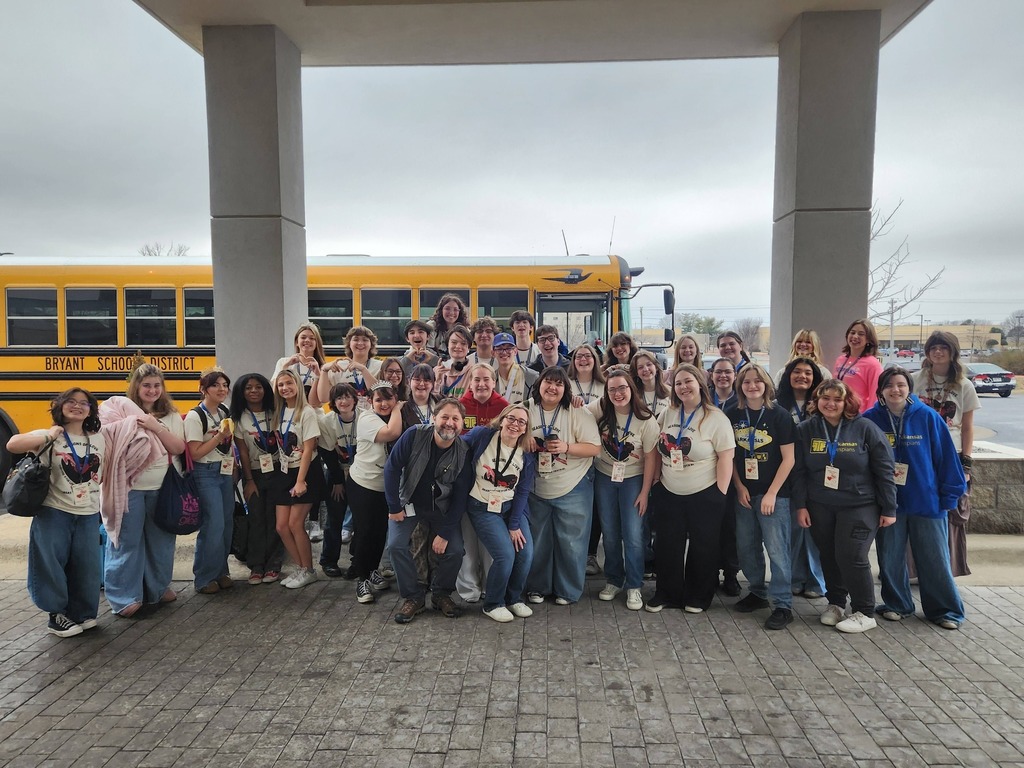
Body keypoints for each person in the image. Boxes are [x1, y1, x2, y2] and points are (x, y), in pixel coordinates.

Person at [864, 367, 967, 629]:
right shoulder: (870, 420)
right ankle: (897, 604)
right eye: (889, 385)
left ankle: (945, 610)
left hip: (927, 501)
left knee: (934, 558)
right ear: (881, 390)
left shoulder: (928, 417)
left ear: (909, 388)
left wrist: (948, 498)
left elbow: (946, 459)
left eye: (901, 385)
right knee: (890, 557)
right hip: (888, 504)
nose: (895, 390)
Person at [792, 379, 897, 633]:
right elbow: (799, 472)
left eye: (837, 399)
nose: (831, 404)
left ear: (847, 401)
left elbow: (884, 470)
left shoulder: (865, 429)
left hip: (859, 505)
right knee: (828, 554)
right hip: (820, 505)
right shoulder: (806, 429)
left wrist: (889, 508)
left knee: (852, 555)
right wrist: (801, 505)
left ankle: (865, 611)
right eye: (825, 398)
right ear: (817, 401)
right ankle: (836, 603)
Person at [8, 389, 105, 637]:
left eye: (84, 403)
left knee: (87, 566)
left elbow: (104, 472)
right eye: (71, 402)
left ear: (91, 410)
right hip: (54, 510)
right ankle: (56, 615)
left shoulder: (99, 438)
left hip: (88, 512)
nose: (77, 406)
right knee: (51, 564)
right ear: (60, 406)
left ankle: (82, 613)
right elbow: (12, 444)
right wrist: (48, 436)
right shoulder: (50, 434)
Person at [647, 365, 735, 613]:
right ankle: (667, 593)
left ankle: (698, 595)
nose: (683, 387)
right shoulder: (669, 413)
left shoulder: (715, 418)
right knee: (667, 544)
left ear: (699, 383)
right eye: (678, 383)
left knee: (703, 546)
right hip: (669, 490)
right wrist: (656, 481)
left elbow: (726, 458)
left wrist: (720, 493)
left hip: (705, 492)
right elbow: (656, 446)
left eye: (688, 382)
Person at [102, 365, 187, 617]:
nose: (152, 390)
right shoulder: (119, 413)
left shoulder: (169, 414)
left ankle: (158, 588)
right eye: (146, 385)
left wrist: (153, 425)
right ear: (136, 387)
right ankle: (123, 597)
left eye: (156, 385)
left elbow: (178, 447)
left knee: (161, 542)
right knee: (126, 543)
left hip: (161, 488)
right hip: (128, 488)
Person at [385, 398, 471, 624]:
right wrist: (394, 507)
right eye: (444, 417)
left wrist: (445, 533)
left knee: (455, 551)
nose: (449, 423)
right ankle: (414, 597)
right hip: (408, 504)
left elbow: (461, 496)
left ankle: (441, 594)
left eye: (455, 418)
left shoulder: (463, 451)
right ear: (434, 418)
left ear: (462, 424)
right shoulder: (414, 435)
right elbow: (392, 468)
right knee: (395, 546)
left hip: (442, 509)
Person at [725, 365, 796, 630]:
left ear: (766, 384)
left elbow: (789, 459)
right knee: (746, 546)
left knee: (777, 550)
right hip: (744, 493)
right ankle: (757, 591)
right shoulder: (732, 414)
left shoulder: (780, 416)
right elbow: (728, 455)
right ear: (740, 386)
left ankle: (783, 604)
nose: (752, 386)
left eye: (757, 381)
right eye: (746, 382)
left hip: (774, 495)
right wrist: (739, 486)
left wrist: (773, 493)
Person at [524, 366, 601, 605]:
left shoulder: (577, 411)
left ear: (566, 388)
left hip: (573, 485)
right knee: (538, 541)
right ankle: (537, 587)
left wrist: (567, 447)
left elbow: (594, 448)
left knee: (571, 542)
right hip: (536, 487)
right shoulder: (526, 408)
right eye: (548, 382)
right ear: (539, 385)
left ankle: (567, 591)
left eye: (559, 384)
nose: (553, 387)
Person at [458, 403, 538, 622]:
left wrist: (514, 524)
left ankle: (513, 599)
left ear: (525, 429)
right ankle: (493, 603)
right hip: (482, 507)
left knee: (526, 553)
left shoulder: (527, 454)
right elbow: (456, 445)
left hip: (511, 507)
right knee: (505, 555)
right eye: (511, 418)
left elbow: (522, 492)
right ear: (502, 419)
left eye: (521, 422)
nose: (515, 424)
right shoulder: (482, 436)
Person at [587, 368, 658, 611]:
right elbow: (578, 413)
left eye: (622, 388)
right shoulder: (600, 408)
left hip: (633, 480)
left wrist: (644, 492)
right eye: (612, 389)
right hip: (605, 477)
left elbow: (651, 458)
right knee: (609, 531)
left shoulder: (646, 419)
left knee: (633, 534)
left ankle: (634, 585)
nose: (617, 393)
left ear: (632, 389)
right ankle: (614, 579)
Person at [914, 330, 979, 577]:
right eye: (933, 348)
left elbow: (968, 427)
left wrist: (966, 465)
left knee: (951, 513)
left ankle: (945, 567)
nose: (938, 352)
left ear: (953, 352)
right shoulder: (914, 380)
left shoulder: (964, 385)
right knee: (917, 510)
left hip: (950, 456)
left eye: (943, 347)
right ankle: (914, 568)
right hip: (919, 453)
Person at [455, 363, 510, 602]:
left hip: (492, 485)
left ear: (494, 382)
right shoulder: (458, 406)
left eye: (486, 379)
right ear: (469, 382)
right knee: (467, 539)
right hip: (463, 481)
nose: (481, 384)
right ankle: (469, 589)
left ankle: (491, 584)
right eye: (476, 379)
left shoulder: (504, 407)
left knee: (489, 540)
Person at [347, 382, 406, 602]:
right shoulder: (366, 418)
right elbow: (392, 433)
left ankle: (372, 569)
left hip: (386, 487)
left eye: (388, 399)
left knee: (380, 531)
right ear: (371, 401)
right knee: (364, 531)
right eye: (378, 399)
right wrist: (399, 409)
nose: (384, 404)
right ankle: (361, 579)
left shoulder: (392, 415)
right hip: (363, 483)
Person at [775, 357, 827, 598]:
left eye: (808, 372)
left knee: (815, 528)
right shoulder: (777, 405)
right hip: (786, 472)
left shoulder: (823, 405)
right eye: (797, 371)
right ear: (788, 375)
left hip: (816, 473)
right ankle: (795, 578)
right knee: (794, 529)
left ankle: (817, 581)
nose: (802, 376)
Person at [184, 368, 236, 595]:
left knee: (226, 522)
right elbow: (195, 453)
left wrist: (235, 466)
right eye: (216, 385)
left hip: (224, 471)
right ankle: (204, 577)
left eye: (225, 385)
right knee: (212, 524)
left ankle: (221, 571)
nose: (222, 389)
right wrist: (218, 437)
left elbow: (230, 443)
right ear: (204, 389)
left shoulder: (224, 410)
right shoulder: (196, 416)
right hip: (205, 473)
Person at [270, 369, 323, 589]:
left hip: (305, 471)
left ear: (298, 385)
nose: (285, 388)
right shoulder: (278, 411)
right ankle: (300, 568)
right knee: (282, 526)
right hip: (284, 471)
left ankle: (309, 570)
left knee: (295, 523)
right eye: (281, 385)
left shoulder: (306, 412)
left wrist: (300, 481)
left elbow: (309, 448)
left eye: (289, 383)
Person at [232, 373, 285, 585]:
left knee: (274, 518)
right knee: (256, 518)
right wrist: (249, 479)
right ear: (241, 392)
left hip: (279, 472)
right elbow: (242, 451)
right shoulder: (239, 417)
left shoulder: (277, 412)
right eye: (248, 388)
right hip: (253, 473)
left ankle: (274, 565)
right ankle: (256, 565)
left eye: (258, 387)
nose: (254, 391)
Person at [317, 383, 358, 579]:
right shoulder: (327, 422)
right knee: (334, 519)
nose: (344, 401)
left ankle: (357, 560)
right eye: (339, 398)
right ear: (333, 402)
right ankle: (328, 560)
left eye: (347, 397)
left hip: (361, 475)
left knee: (361, 519)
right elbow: (327, 453)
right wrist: (337, 481)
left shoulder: (365, 417)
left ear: (355, 399)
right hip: (336, 474)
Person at [708, 356, 740, 596]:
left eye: (727, 372)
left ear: (734, 375)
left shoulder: (742, 402)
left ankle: (731, 574)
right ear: (711, 375)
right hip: (707, 471)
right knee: (709, 527)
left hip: (736, 472)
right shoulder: (704, 399)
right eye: (718, 372)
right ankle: (709, 573)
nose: (723, 376)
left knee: (731, 527)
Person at [317, 325, 383, 409]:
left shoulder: (380, 366)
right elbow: (323, 398)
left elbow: (381, 395)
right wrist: (324, 370)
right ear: (349, 343)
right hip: (345, 418)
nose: (360, 343)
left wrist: (363, 370)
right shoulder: (339, 366)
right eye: (356, 339)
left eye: (365, 340)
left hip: (370, 417)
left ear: (371, 344)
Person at [833, 318, 882, 414]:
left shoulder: (873, 364)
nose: (855, 336)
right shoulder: (840, 360)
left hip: (858, 416)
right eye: (852, 332)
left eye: (861, 334)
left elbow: (875, 395)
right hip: (837, 413)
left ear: (868, 339)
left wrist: (868, 418)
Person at [273, 323, 326, 407]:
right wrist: (285, 368)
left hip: (313, 414)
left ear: (317, 343)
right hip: (289, 414)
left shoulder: (323, 368)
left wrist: (318, 375)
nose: (307, 340)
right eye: (303, 337)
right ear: (297, 342)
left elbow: (317, 403)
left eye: (312, 338)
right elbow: (274, 393)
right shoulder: (283, 362)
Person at [493, 332, 537, 405]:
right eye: (499, 349)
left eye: (508, 348)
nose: (504, 352)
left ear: (515, 351)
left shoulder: (531, 377)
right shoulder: (491, 378)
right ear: (493, 353)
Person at [434, 325, 473, 400]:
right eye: (454, 342)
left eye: (463, 343)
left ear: (468, 348)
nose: (458, 346)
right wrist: (437, 381)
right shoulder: (436, 371)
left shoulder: (474, 372)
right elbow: (431, 402)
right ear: (447, 345)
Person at [631, 350, 670, 416]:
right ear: (636, 373)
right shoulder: (633, 395)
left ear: (656, 367)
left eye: (649, 364)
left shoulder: (670, 392)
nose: (646, 369)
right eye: (640, 367)